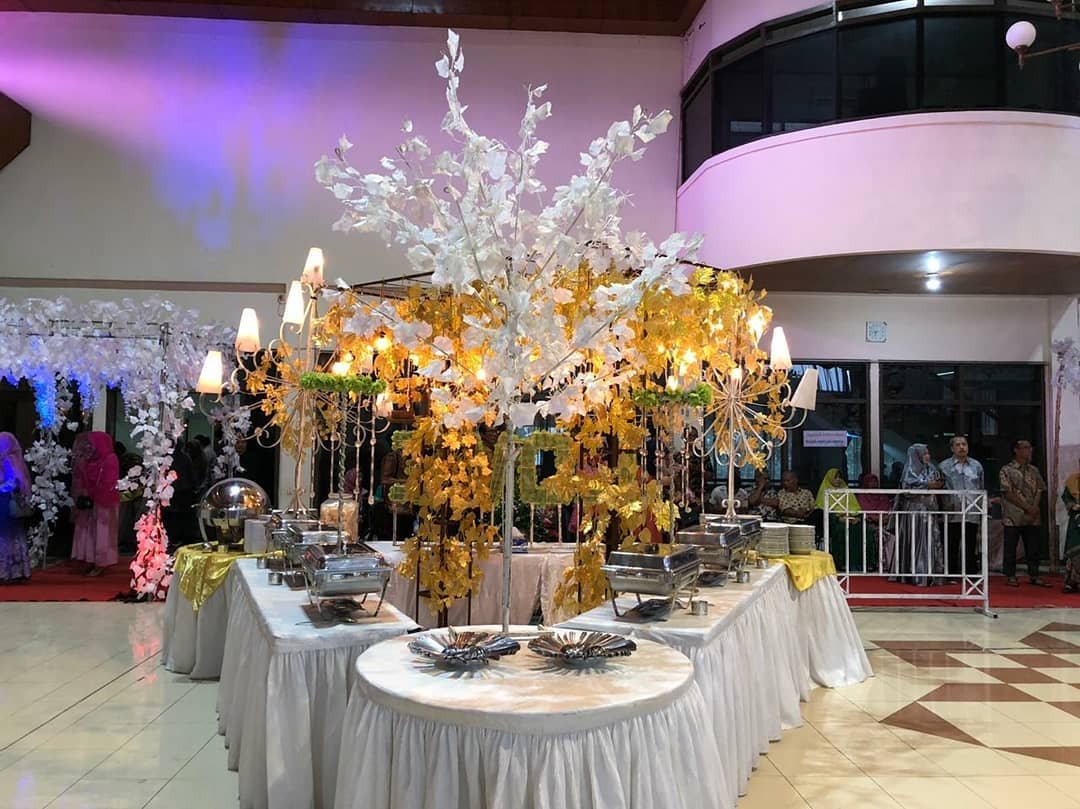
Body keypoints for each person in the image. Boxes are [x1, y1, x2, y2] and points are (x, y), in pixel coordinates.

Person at [999, 439, 1049, 588]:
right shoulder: (1006, 470)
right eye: (1025, 447)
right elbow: (1008, 493)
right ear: (1016, 450)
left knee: (1033, 547)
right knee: (1010, 547)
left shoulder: (1034, 470)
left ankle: (1034, 574)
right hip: (1013, 515)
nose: (1029, 450)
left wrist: (1034, 507)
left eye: (1030, 447)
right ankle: (1010, 575)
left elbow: (1040, 489)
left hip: (1033, 516)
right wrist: (1026, 507)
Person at [71, 431, 120, 576]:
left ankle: (101, 562)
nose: (89, 446)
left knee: (102, 531)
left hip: (104, 501)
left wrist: (95, 493)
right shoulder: (88, 460)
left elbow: (109, 481)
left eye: (92, 443)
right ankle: (90, 559)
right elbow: (80, 479)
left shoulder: (110, 458)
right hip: (89, 501)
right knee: (87, 531)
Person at [893, 443, 943, 585]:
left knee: (931, 540)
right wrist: (927, 485)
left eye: (928, 453)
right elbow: (907, 490)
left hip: (930, 509)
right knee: (916, 539)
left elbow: (938, 483)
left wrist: (935, 485)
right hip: (914, 511)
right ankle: (915, 574)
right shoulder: (909, 471)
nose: (927, 456)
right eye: (924, 454)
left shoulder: (932, 468)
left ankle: (930, 574)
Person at [937, 436, 984, 582]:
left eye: (964, 444)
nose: (961, 447)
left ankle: (970, 574)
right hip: (952, 510)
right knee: (950, 543)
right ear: (952, 448)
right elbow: (940, 489)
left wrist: (981, 507)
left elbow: (980, 486)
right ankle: (950, 573)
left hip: (972, 510)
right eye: (957, 445)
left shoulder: (976, 465)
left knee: (970, 543)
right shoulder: (944, 466)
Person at [816, 468, 876, 571]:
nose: (838, 479)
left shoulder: (846, 489)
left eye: (839, 477)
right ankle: (841, 563)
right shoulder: (824, 490)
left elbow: (855, 508)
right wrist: (838, 518)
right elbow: (821, 510)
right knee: (842, 530)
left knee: (867, 530)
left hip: (851, 520)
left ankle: (866, 563)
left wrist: (856, 518)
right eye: (835, 477)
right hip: (835, 522)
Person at [0, 433, 32, 583]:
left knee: (6, 538)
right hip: (7, 504)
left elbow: (12, 482)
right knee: (13, 537)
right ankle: (15, 572)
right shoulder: (10, 459)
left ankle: (7, 572)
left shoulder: (9, 460)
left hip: (6, 503)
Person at [1063, 467, 1080, 594]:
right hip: (1076, 520)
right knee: (1074, 551)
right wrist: (1073, 505)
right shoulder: (1073, 480)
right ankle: (1071, 582)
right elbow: (1066, 497)